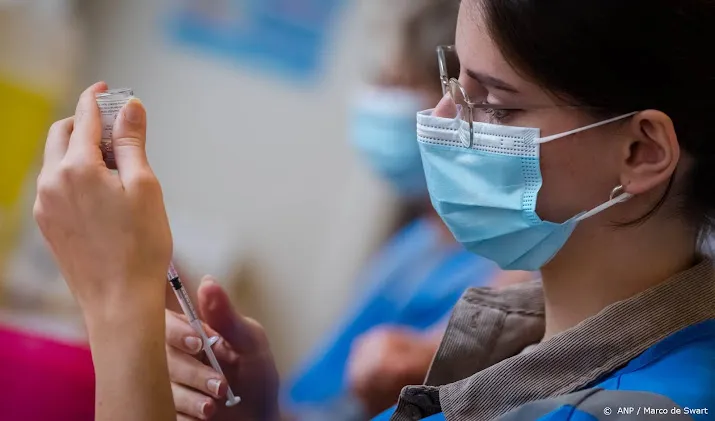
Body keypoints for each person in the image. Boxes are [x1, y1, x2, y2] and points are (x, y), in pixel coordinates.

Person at [33, 0, 715, 420]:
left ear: (639, 150)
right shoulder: (523, 341)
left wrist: (119, 308)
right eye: (451, 82)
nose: (439, 120)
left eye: (493, 103)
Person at [282, 1, 517, 418]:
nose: (379, 99)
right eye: (381, 80)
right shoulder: (418, 242)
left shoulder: (499, 274)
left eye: (400, 82)